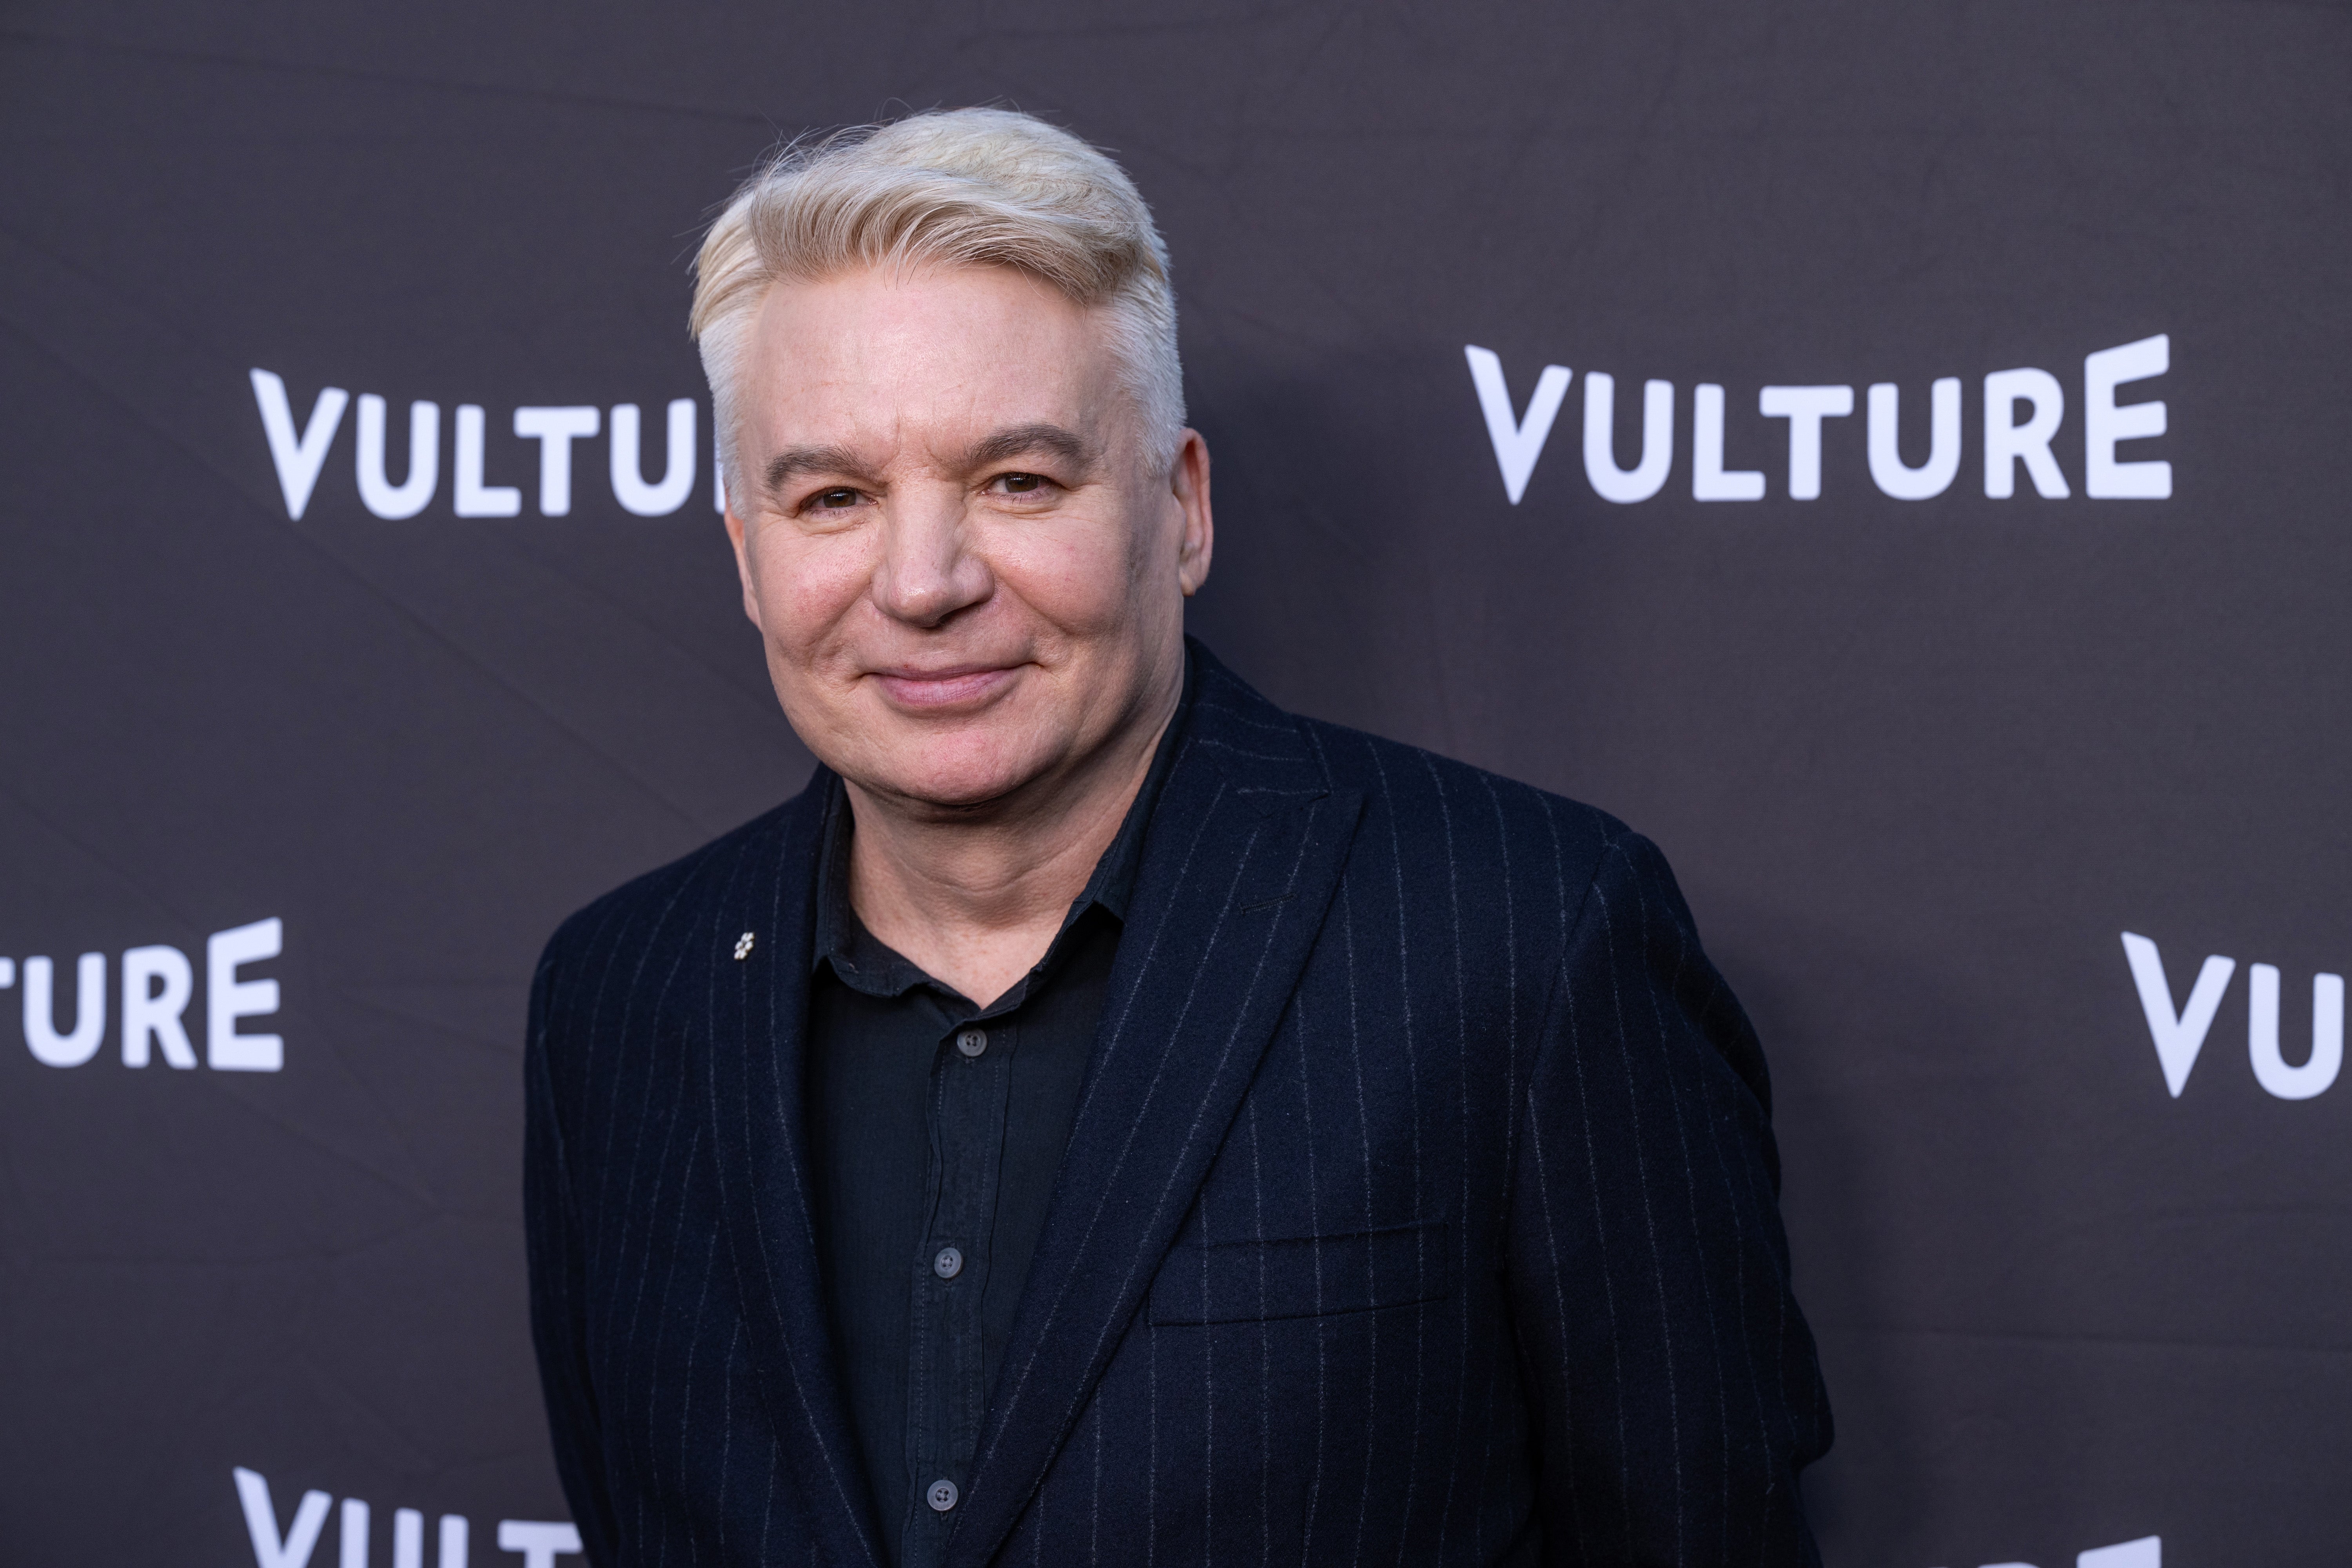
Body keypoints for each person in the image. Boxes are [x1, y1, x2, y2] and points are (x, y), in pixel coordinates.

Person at [523, 107, 1830, 1568]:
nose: (925, 581)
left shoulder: (1525, 943)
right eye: (834, 498)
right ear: (747, 557)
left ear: (1184, 509)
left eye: (1018, 481)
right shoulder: (618, 999)